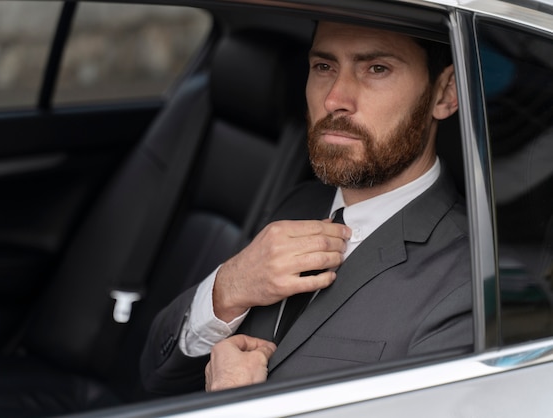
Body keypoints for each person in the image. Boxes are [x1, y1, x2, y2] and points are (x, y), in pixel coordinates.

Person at [140, 20, 472, 394]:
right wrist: (228, 288)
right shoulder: (298, 201)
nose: (335, 98)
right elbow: (156, 372)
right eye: (324, 67)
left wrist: (232, 404)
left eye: (377, 69)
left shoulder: (467, 283)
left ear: (444, 93)